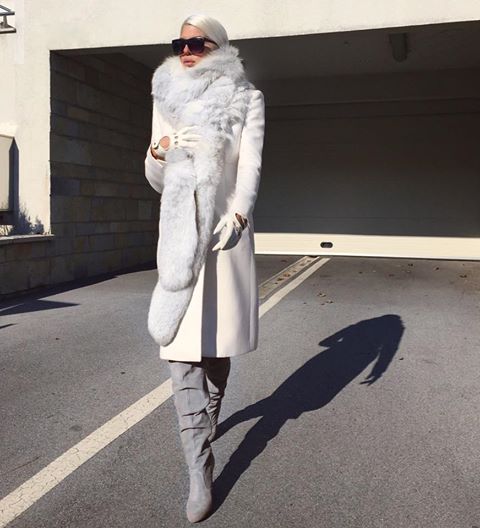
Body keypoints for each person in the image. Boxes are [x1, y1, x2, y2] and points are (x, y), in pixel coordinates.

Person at [144, 13, 265, 523]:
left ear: (219, 46)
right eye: (180, 44)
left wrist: (238, 216)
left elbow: (250, 165)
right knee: (180, 350)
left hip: (222, 238)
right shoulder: (166, 95)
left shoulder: (246, 98)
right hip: (179, 238)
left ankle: (211, 409)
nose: (187, 51)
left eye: (197, 43)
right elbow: (155, 177)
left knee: (214, 346)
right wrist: (160, 151)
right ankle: (200, 467)